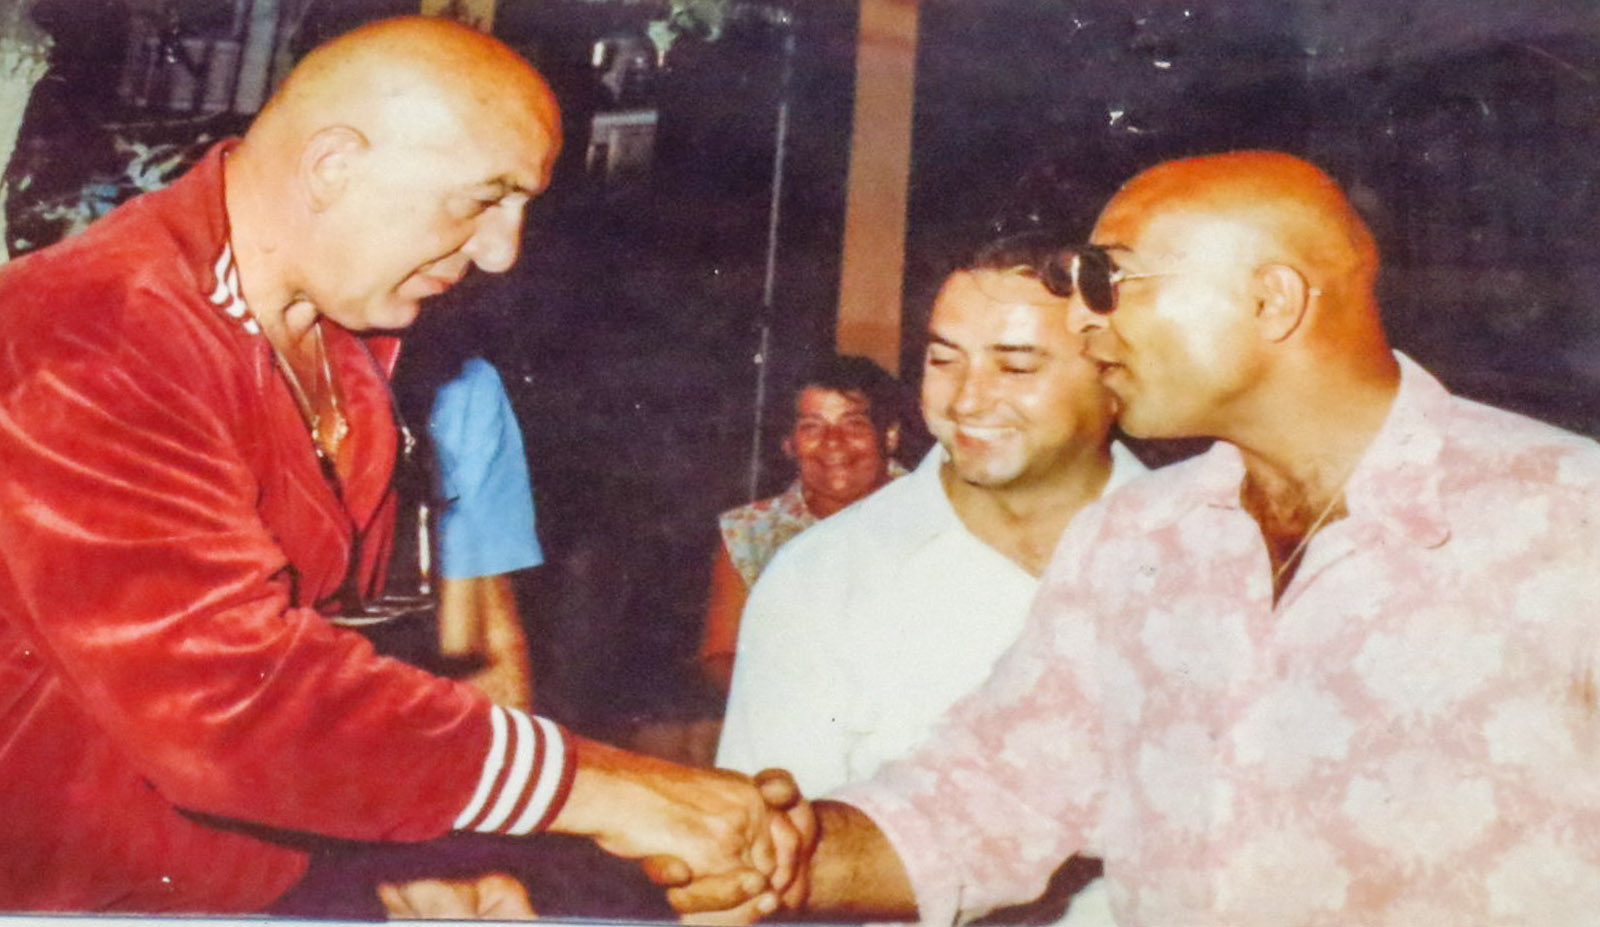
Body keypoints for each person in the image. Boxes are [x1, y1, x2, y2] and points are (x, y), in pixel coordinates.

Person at [0, 16, 798, 916]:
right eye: (483, 200)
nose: (502, 251)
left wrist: (398, 870)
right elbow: (229, 707)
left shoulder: (349, 344)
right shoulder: (94, 330)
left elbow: (323, 690)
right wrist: (615, 789)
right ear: (332, 166)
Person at [682, 150, 1600, 926]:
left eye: (1112, 281)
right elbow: (983, 802)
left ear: (1272, 300)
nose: (1086, 319)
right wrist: (780, 852)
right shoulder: (1135, 538)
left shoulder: (1566, 519)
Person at [716, 231, 1147, 924]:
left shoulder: (1216, 551)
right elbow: (769, 865)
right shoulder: (821, 578)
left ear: (1117, 378)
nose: (968, 399)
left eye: (1015, 366)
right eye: (943, 360)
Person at [698, 354, 908, 695]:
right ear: (789, 444)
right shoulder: (749, 532)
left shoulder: (940, 516)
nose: (833, 442)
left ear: (889, 435)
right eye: (812, 427)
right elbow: (721, 653)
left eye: (854, 424)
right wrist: (793, 702)